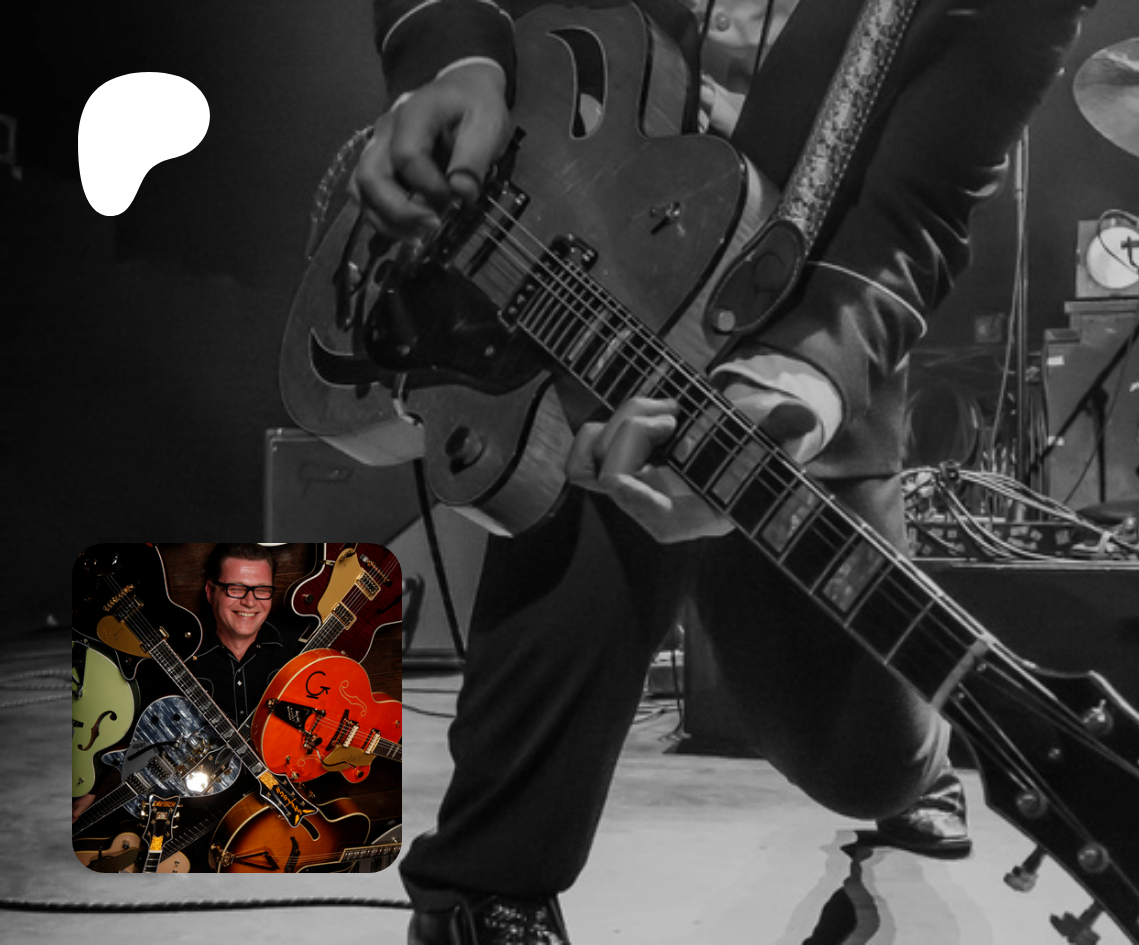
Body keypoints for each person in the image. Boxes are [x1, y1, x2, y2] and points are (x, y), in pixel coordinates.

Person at [352, 0, 1094, 941]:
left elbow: (917, 209)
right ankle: (482, 893)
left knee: (868, 760)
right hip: (558, 265)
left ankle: (922, 766)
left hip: (801, 340)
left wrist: (789, 396)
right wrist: (454, 62)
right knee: (577, 505)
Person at [72, 543, 288, 825]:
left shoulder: (296, 653)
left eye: (262, 590)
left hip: (274, 813)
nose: (250, 602)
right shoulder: (173, 655)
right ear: (210, 591)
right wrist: (91, 783)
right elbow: (128, 722)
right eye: (236, 589)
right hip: (193, 818)